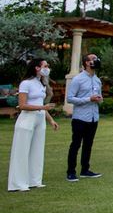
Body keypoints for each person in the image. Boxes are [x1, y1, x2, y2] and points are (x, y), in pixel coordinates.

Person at [8, 58, 59, 192]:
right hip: (27, 119)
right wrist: (43, 107)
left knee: (37, 150)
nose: (47, 68)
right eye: (45, 66)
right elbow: (23, 105)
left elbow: (41, 106)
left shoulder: (41, 84)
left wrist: (51, 120)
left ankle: (34, 180)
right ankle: (18, 183)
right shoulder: (26, 83)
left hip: (40, 119)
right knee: (22, 151)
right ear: (37, 68)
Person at [66, 53, 103, 182]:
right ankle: (71, 172)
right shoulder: (78, 79)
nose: (96, 60)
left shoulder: (97, 80)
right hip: (80, 118)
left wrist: (99, 99)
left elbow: (99, 96)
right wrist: (88, 99)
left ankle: (85, 170)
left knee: (88, 144)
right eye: (93, 59)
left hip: (93, 117)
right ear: (87, 63)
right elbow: (70, 98)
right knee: (76, 144)